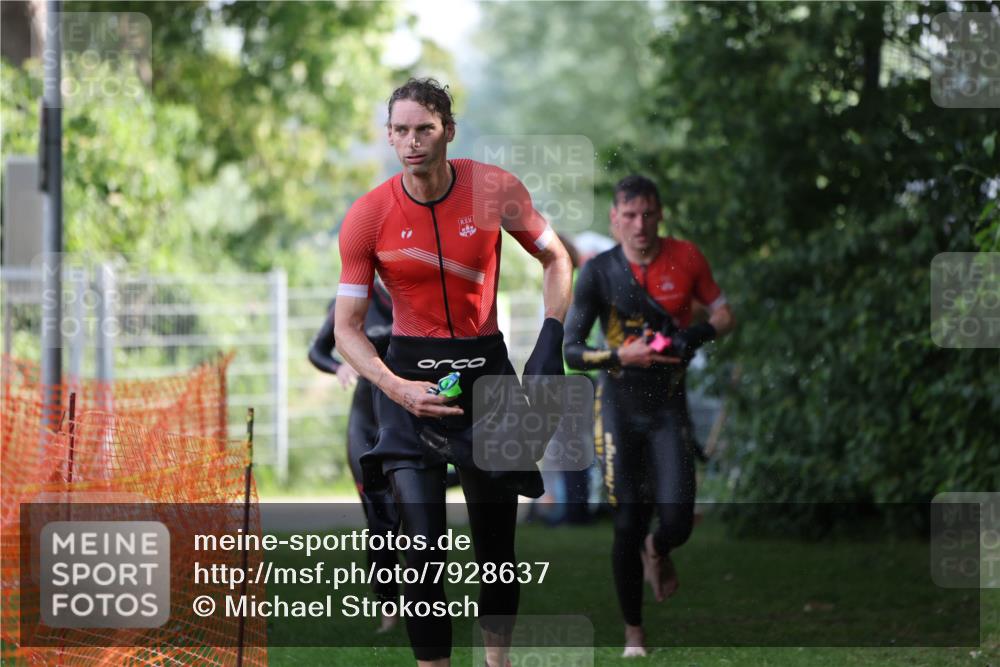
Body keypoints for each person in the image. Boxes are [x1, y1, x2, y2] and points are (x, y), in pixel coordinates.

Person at [333, 78, 572, 667]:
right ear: (389, 135)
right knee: (422, 551)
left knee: (495, 549)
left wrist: (551, 338)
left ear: (448, 131)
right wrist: (394, 386)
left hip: (485, 378)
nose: (413, 142)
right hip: (408, 383)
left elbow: (556, 257)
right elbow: (347, 329)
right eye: (402, 130)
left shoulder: (492, 189)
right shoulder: (367, 217)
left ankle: (497, 661)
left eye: (425, 129)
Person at [563, 175, 735, 657]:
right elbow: (573, 352)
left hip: (668, 407)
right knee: (626, 524)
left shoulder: (686, 257)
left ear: (660, 215)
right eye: (630, 216)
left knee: (678, 520)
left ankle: (658, 551)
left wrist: (695, 335)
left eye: (648, 215)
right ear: (615, 220)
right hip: (617, 406)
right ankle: (633, 632)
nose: (640, 225)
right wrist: (620, 356)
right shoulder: (597, 271)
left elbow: (725, 314)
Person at [307, 280, 400, 633]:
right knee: (380, 523)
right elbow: (317, 350)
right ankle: (389, 610)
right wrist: (339, 367)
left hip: (409, 421)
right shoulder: (356, 298)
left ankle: (423, 599)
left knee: (414, 519)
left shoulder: (419, 291)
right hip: (366, 425)